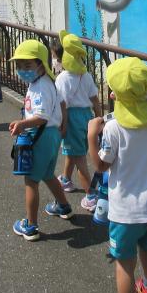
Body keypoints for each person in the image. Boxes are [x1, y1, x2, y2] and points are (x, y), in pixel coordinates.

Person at [87, 56, 147, 293]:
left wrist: (91, 136)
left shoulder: (114, 128)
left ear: (116, 96)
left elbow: (101, 166)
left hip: (125, 212)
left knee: (125, 263)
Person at [9, 39, 72, 242]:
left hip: (41, 135)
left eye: (27, 65)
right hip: (51, 135)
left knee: (31, 180)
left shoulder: (41, 86)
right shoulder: (45, 81)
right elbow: (61, 103)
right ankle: (63, 206)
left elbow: (42, 117)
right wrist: (63, 123)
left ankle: (31, 225)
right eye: (19, 65)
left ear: (41, 64)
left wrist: (22, 124)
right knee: (47, 174)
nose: (22, 70)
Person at [54, 30, 102, 212]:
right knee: (74, 151)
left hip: (71, 118)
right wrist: (99, 120)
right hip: (86, 117)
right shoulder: (86, 75)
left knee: (79, 157)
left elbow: (61, 105)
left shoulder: (62, 78)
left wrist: (62, 126)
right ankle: (66, 179)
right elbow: (95, 100)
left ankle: (90, 195)